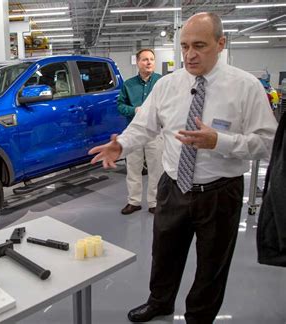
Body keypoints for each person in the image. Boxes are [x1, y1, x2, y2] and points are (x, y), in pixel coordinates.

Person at [89, 12, 277, 323]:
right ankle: (160, 302)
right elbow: (144, 126)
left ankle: (199, 317)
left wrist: (220, 141)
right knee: (163, 255)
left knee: (212, 265)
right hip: (173, 186)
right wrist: (121, 144)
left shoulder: (246, 87)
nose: (189, 55)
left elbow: (267, 141)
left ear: (220, 44)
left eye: (199, 46)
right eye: (185, 46)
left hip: (220, 192)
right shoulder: (168, 85)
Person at [117, 48, 163, 215]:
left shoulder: (161, 82)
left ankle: (154, 202)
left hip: (155, 131)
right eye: (145, 59)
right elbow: (120, 106)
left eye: (151, 59)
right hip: (134, 132)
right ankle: (134, 201)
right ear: (137, 62)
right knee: (134, 168)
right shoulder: (128, 85)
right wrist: (133, 110)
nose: (149, 62)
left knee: (156, 168)